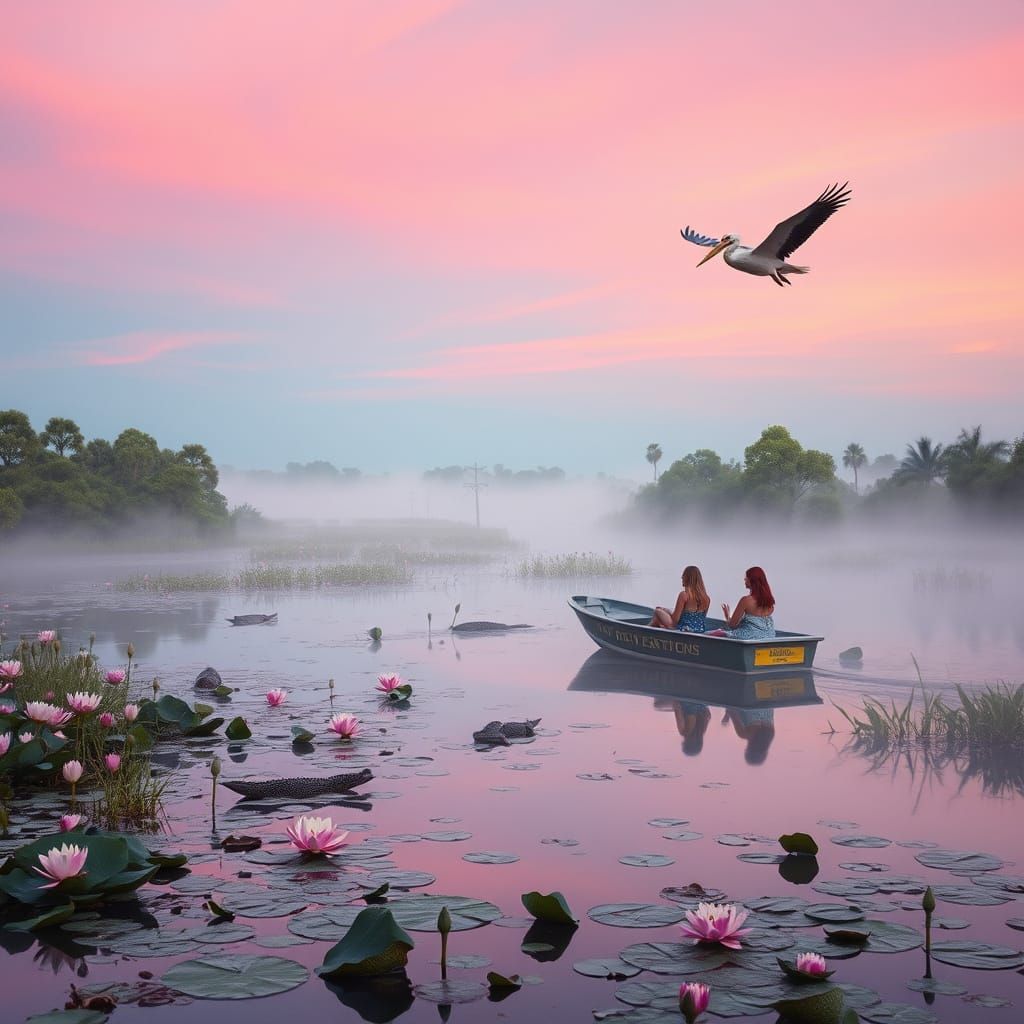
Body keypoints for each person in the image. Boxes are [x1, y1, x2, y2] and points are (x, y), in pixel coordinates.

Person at [708, 566, 775, 638]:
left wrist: (728, 618)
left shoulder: (746, 600)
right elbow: (756, 625)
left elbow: (732, 625)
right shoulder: (770, 603)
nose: (745, 579)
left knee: (709, 633)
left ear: (753, 580)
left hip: (749, 637)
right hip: (769, 637)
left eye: (747, 577)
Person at [648, 565, 711, 632]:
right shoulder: (707, 599)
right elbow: (700, 619)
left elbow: (674, 621)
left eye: (683, 575)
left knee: (657, 611)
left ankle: (645, 630)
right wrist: (667, 611)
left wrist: (664, 612)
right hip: (699, 630)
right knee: (664, 612)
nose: (681, 578)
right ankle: (651, 628)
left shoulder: (684, 595)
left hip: (682, 629)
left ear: (687, 578)